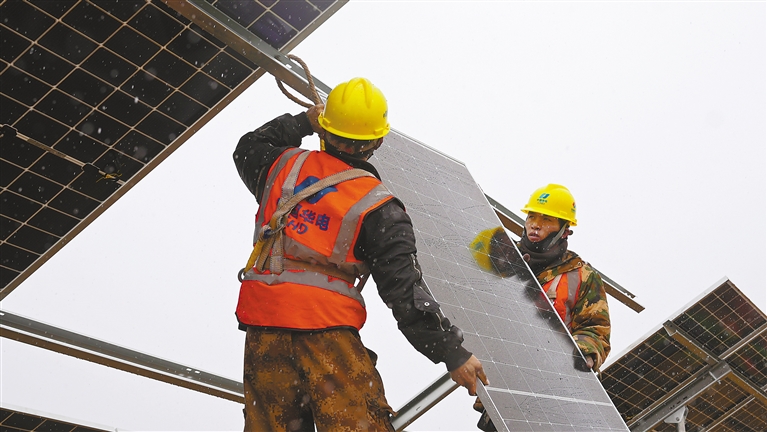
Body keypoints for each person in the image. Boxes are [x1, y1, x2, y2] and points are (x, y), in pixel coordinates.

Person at [233, 77, 487, 432]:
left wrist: (304, 121)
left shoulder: (281, 166)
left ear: (324, 128)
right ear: (378, 141)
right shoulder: (380, 207)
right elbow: (404, 294)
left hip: (263, 327)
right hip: (326, 332)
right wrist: (452, 353)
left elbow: (249, 146)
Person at [471, 184, 611, 431]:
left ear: (565, 230)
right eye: (532, 217)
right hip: (503, 390)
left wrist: (580, 354)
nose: (536, 225)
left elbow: (595, 329)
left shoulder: (582, 276)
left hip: (553, 396)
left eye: (547, 220)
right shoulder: (500, 260)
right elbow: (468, 305)